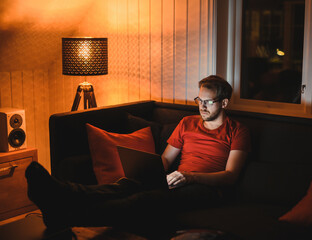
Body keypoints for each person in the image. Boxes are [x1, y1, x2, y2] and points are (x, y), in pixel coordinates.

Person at [25, 75, 251, 236]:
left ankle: (66, 216)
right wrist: (146, 170)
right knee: (124, 186)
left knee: (142, 200)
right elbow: (165, 160)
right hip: (176, 179)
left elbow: (230, 176)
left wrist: (190, 176)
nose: (201, 107)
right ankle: (62, 192)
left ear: (223, 103)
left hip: (208, 189)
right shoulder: (187, 123)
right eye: (199, 100)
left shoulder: (237, 130)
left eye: (208, 102)